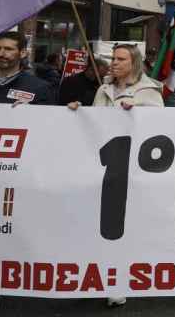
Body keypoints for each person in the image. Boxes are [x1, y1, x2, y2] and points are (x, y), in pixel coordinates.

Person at [68, 43, 163, 307]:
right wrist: (79, 112)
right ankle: (101, 276)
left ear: (134, 63)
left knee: (124, 227)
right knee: (102, 225)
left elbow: (161, 131)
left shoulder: (149, 91)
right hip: (105, 167)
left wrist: (139, 113)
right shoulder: (104, 89)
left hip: (133, 169)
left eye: (121, 59)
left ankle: (120, 282)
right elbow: (96, 123)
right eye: (113, 58)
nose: (114, 62)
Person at [0, 31, 54, 105]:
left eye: (8, 49)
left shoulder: (40, 87)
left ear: (23, 53)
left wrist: (29, 111)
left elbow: (49, 115)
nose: (1, 54)